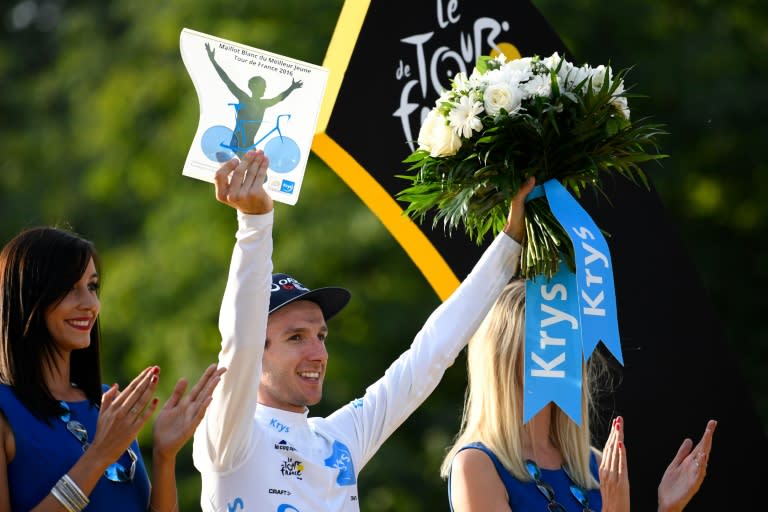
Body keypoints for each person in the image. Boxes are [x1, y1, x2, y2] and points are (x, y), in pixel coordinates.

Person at [191, 149, 536, 511]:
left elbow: (430, 355)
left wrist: (509, 242)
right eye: (296, 337)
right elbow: (239, 341)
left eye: (320, 336)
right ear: (257, 356)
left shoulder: (338, 440)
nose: (317, 353)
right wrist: (254, 223)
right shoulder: (228, 438)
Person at [0, 225, 226, 511]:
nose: (90, 304)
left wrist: (164, 456)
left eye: (92, 287)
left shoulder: (108, 404)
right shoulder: (5, 411)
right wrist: (97, 457)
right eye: (70, 288)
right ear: (28, 296)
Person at [442, 278, 718, 511]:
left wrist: (668, 508)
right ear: (503, 356)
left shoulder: (594, 464)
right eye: (546, 341)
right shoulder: (476, 466)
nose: (562, 354)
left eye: (568, 340)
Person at [205, 42, 303, 156]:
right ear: (255, 87)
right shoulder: (244, 98)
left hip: (249, 144)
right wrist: (212, 60)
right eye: (263, 85)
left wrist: (292, 87)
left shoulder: (263, 103)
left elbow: (279, 98)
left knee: (259, 172)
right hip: (238, 144)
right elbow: (227, 80)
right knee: (256, 171)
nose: (265, 88)